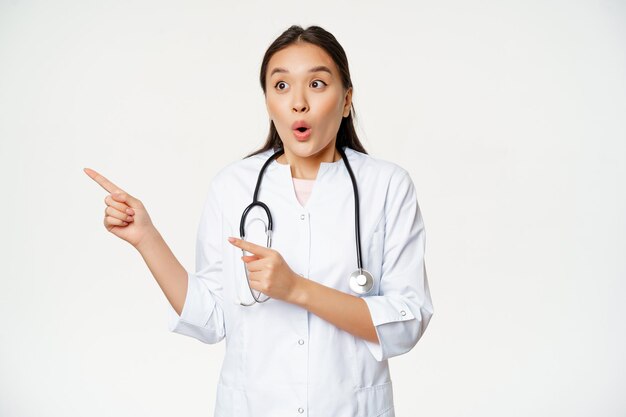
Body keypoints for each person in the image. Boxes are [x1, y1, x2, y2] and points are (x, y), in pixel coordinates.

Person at [84, 24, 433, 417]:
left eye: (317, 84)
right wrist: (146, 237)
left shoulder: (387, 186)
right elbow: (212, 317)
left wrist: (296, 289)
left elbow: (407, 321)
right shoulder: (234, 186)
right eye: (281, 87)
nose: (298, 103)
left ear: (347, 99)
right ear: (268, 100)